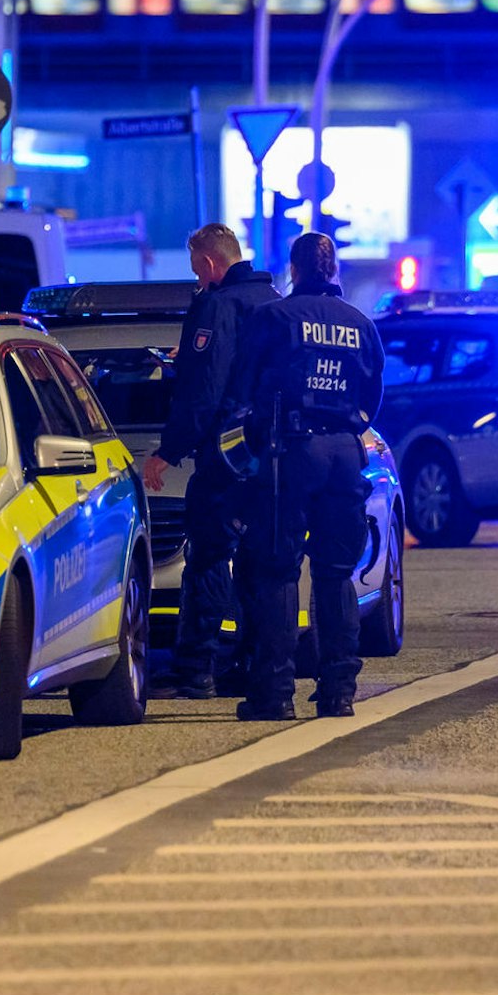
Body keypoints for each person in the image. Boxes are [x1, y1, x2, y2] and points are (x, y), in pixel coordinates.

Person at [229, 231, 384, 720]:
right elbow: (372, 394)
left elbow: (243, 388)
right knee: (336, 574)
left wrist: (249, 448)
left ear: (293, 270)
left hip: (291, 452)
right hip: (344, 451)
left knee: (277, 570)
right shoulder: (360, 323)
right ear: (332, 269)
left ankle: (274, 694)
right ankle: (338, 691)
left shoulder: (273, 318)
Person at [143, 223, 279, 700]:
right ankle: (250, 663)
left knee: (207, 558)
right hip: (272, 458)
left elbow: (203, 396)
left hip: (225, 455)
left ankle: (196, 668)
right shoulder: (274, 302)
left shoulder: (218, 306)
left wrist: (167, 451)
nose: (196, 278)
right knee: (261, 563)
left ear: (207, 264)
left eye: (196, 269)